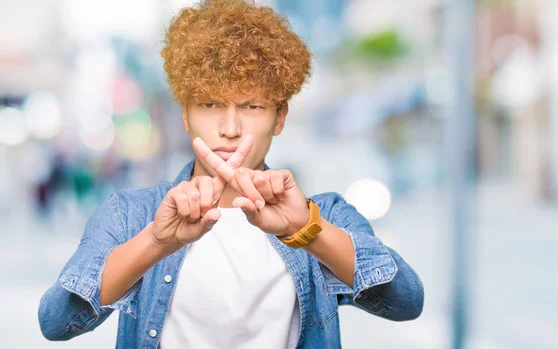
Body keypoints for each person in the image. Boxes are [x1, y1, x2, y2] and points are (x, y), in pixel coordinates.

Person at [38, 1, 424, 348]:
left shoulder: (325, 214)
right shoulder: (131, 213)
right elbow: (56, 322)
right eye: (209, 104)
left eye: (251, 105)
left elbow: (406, 301)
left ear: (280, 117)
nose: (230, 127)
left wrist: (306, 229)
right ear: (186, 116)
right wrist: (156, 242)